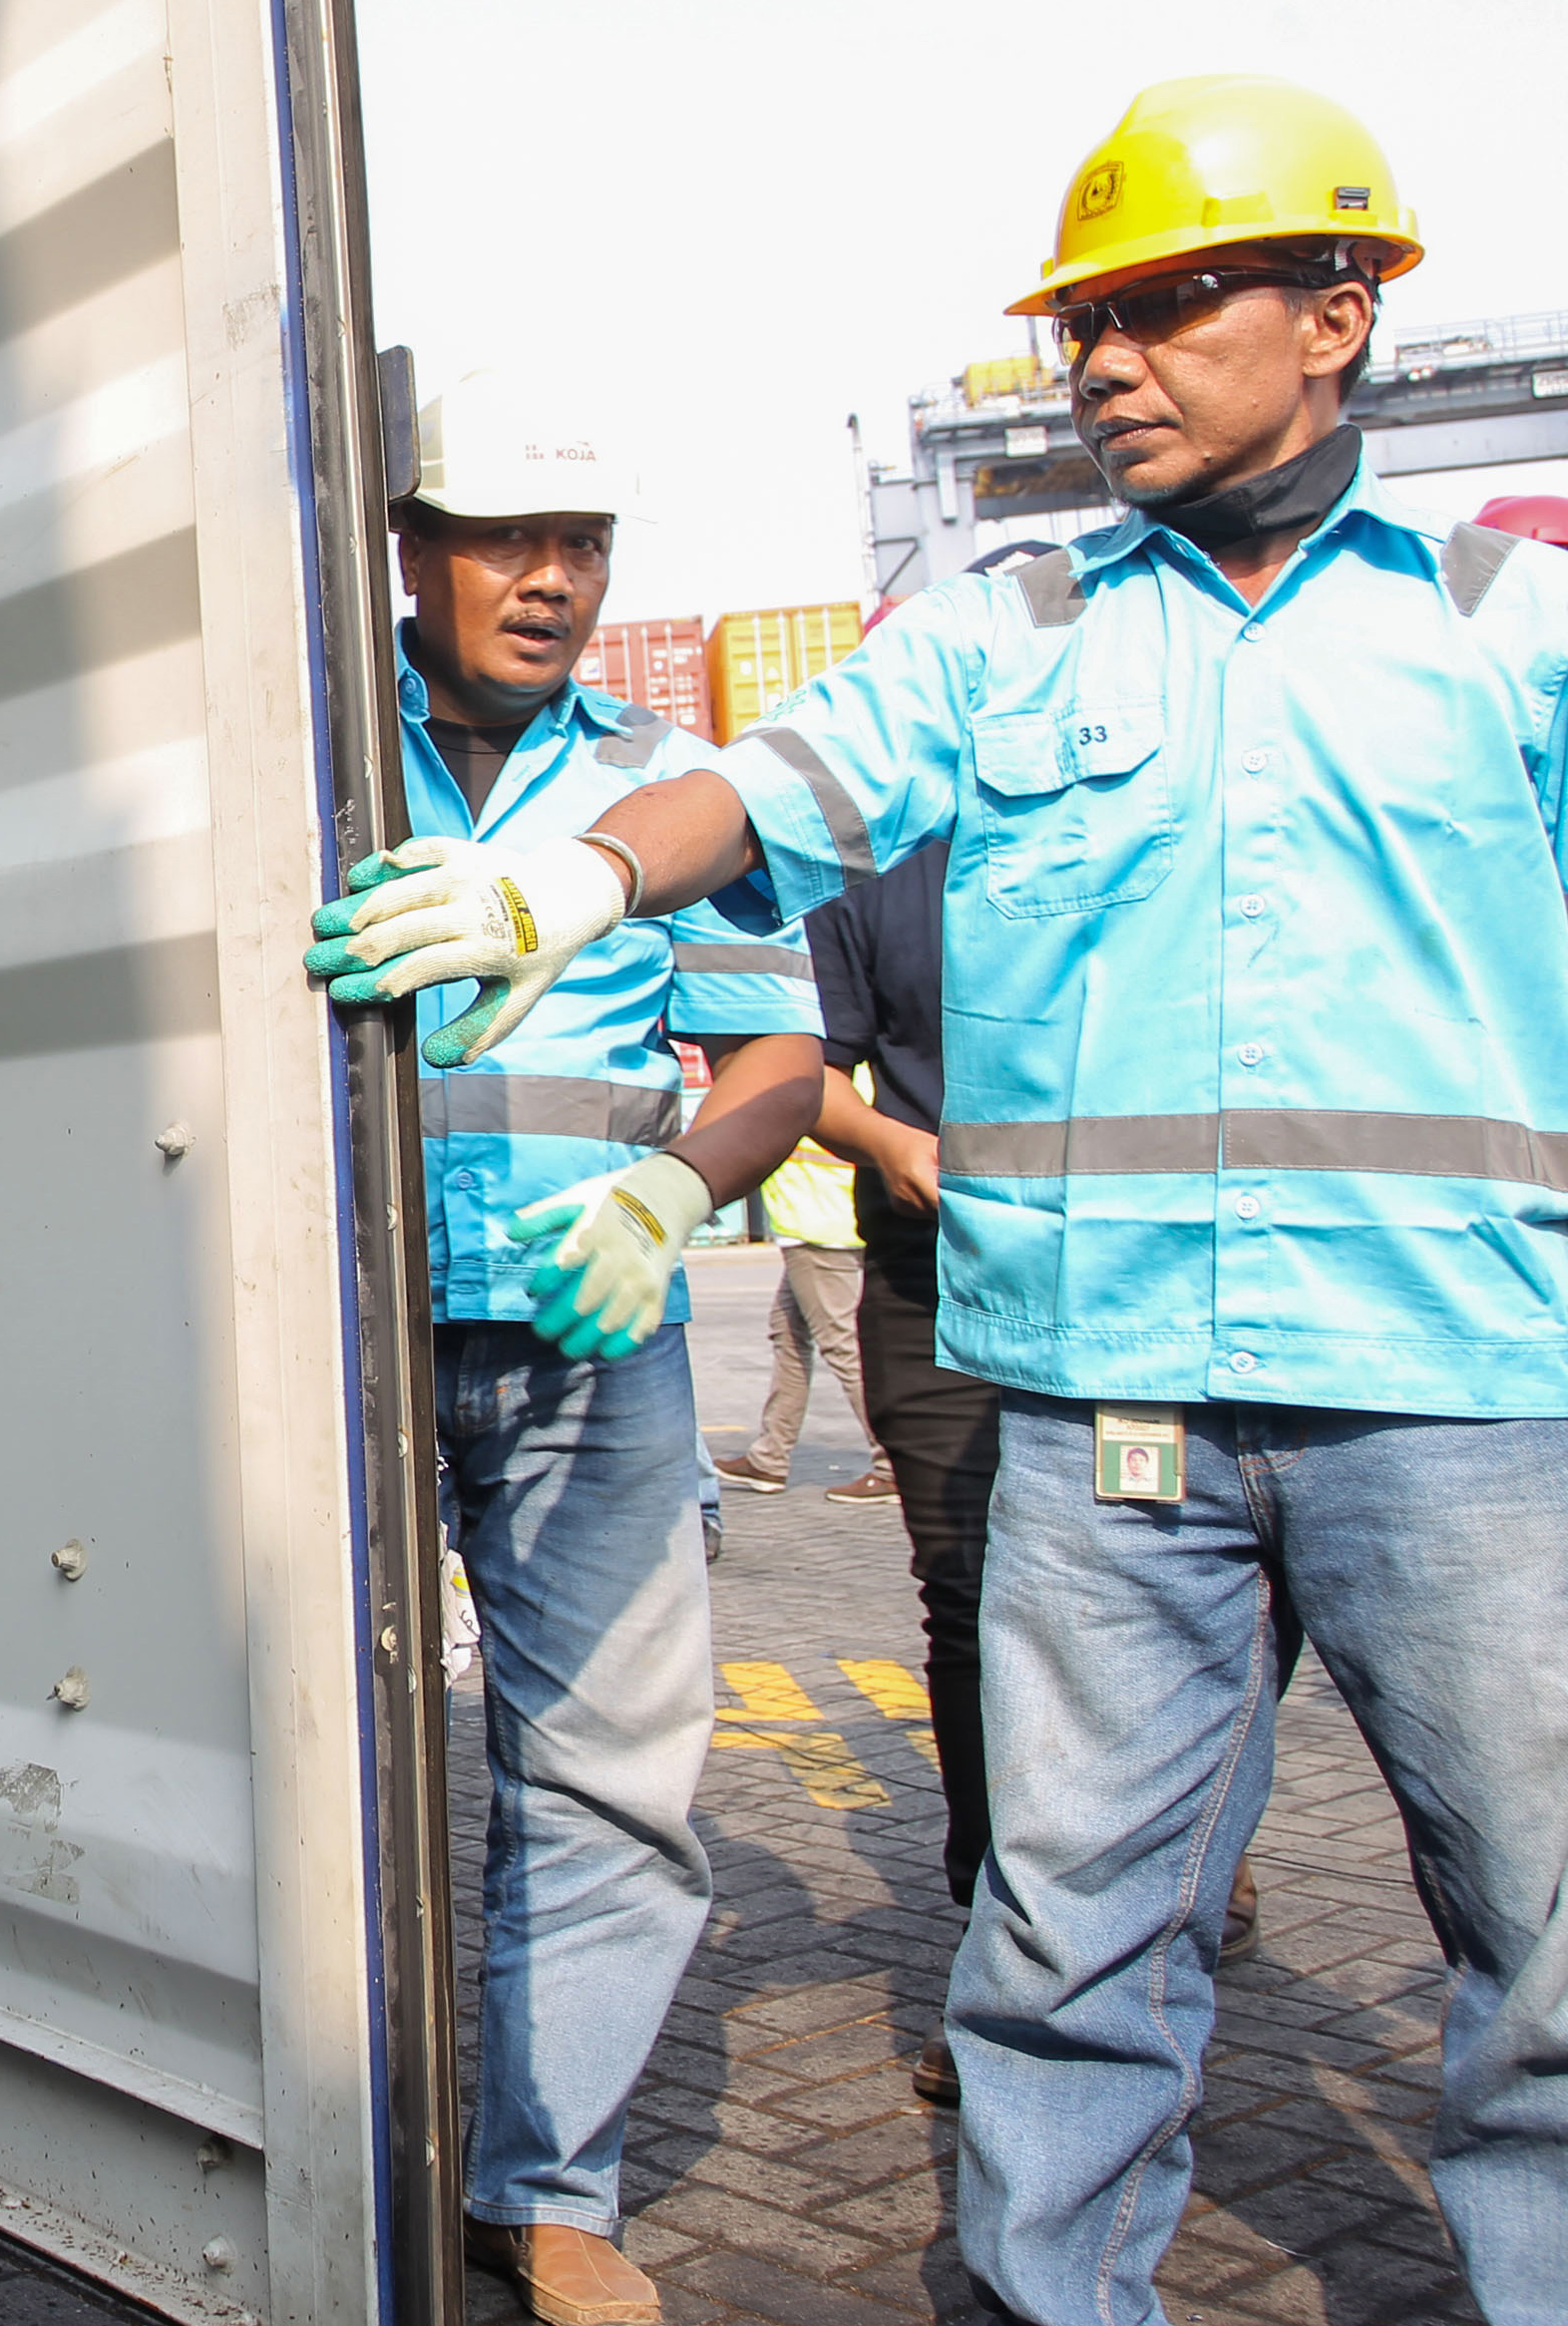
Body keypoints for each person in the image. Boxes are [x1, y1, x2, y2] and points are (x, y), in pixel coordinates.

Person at [310, 76, 1568, 2326]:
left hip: (1447, 1400)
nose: (1100, 358)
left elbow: (760, 1034)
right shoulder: (1002, 631)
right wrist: (564, 877)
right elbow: (769, 784)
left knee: (1542, 1950)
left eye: (1166, 304)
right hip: (1105, 1419)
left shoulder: (1511, 634)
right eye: (1083, 316)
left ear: (1340, 318)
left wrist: (654, 1143)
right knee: (1062, 1948)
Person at [362, 369, 826, 2326]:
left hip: (587, 1339)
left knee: (607, 1768)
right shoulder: (301, 747)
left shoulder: (664, 782)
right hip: (341, 1335)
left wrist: (670, 1193)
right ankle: (284, 2126)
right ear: (407, 545)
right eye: (500, 538)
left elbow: (776, 1064)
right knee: (288, 1753)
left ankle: (543, 2186)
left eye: (581, 546)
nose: (546, 581)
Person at [717, 1124, 891, 1502]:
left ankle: (891, 1464)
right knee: (788, 1337)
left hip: (818, 1226)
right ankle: (769, 1458)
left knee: (842, 1346)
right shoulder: (848, 1074)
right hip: (818, 1222)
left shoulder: (816, 1076)